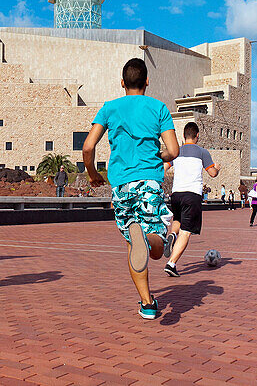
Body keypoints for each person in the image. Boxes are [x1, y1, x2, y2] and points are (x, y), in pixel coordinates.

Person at [83, 58, 180, 320]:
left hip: (121, 185)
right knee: (157, 245)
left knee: (131, 244)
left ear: (122, 82)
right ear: (147, 81)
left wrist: (93, 175)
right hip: (149, 181)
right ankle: (149, 239)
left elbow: (88, 147)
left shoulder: (109, 108)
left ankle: (148, 303)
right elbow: (174, 150)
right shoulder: (158, 108)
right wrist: (157, 156)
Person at [163, 122, 219, 277]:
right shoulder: (203, 152)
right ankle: (171, 263)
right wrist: (218, 168)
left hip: (176, 194)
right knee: (186, 232)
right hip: (192, 194)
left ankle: (172, 235)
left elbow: (164, 168)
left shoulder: (176, 151)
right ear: (197, 136)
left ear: (183, 136)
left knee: (177, 220)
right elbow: (212, 173)